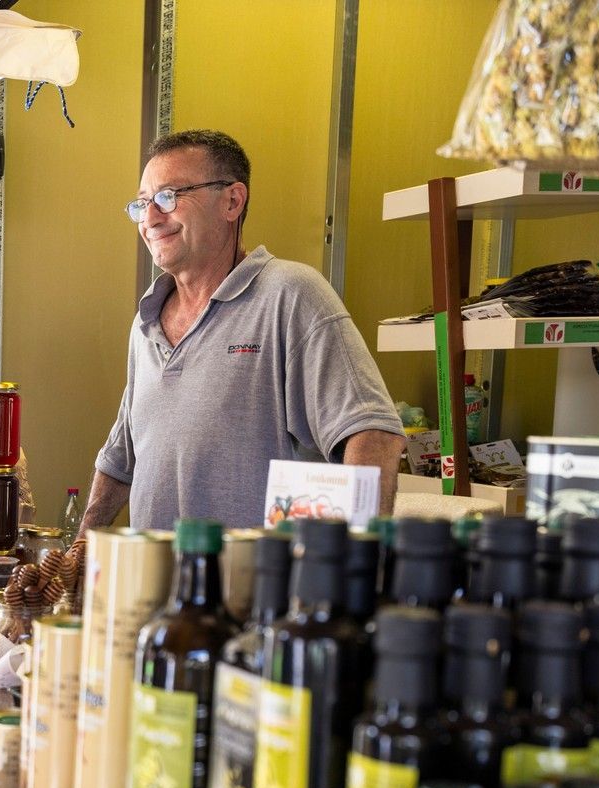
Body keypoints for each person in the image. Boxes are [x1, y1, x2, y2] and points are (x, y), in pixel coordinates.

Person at [81, 129, 405, 533]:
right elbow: (121, 458)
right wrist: (78, 554)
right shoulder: (147, 318)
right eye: (142, 203)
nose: (149, 218)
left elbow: (373, 433)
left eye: (168, 197)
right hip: (158, 589)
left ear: (232, 201)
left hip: (258, 589)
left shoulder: (291, 294)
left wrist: (347, 573)